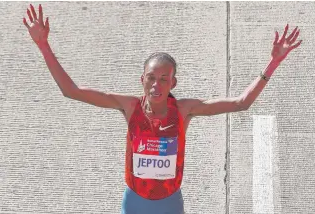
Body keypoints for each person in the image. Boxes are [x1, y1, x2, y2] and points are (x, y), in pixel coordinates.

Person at [23, 4, 302, 214]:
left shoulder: (184, 110)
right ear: (142, 80)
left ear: (173, 82)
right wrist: (43, 45)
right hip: (134, 201)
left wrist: (273, 63)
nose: (157, 84)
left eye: (164, 79)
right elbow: (71, 91)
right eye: (151, 78)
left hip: (169, 203)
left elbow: (242, 103)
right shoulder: (129, 105)